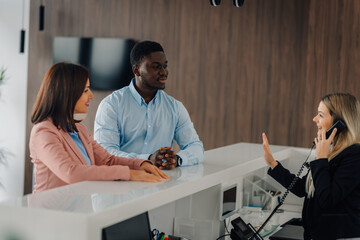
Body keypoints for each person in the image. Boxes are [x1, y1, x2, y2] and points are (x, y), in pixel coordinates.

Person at [30, 62, 168, 193]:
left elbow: (108, 161)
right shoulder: (44, 132)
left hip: (79, 211)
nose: (91, 95)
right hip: (51, 214)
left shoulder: (79, 129)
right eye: (85, 90)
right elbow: (70, 172)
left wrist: (140, 165)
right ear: (67, 93)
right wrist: (129, 174)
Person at [262, 93, 360, 240]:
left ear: (339, 123)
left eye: (320, 115)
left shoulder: (355, 156)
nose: (315, 119)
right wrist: (273, 164)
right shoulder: (332, 152)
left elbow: (327, 198)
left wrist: (321, 158)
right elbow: (303, 188)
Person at [94, 40, 204, 170]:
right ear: (137, 70)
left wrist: (177, 159)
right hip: (123, 182)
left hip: (162, 184)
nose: (164, 72)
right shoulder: (111, 105)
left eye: (164, 66)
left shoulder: (175, 107)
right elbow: (104, 153)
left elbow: (196, 147)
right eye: (156, 67)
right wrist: (148, 159)